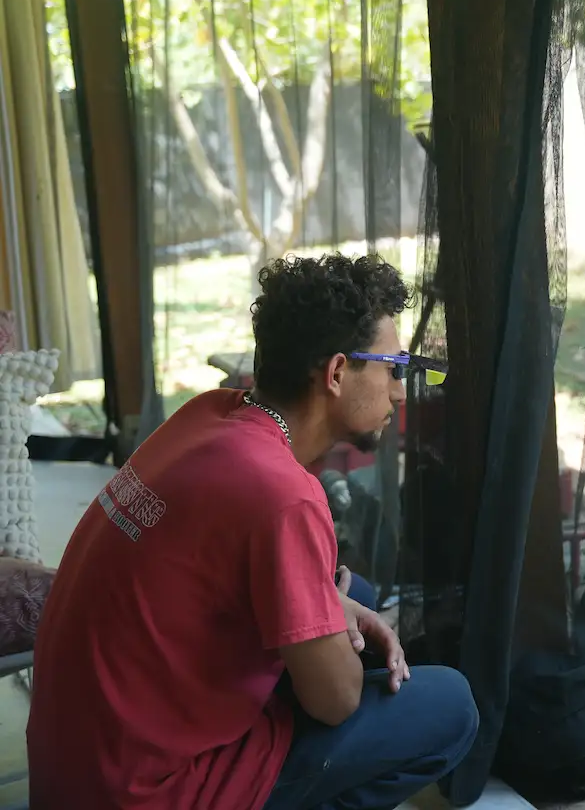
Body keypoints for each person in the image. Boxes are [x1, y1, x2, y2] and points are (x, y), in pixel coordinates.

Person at [28, 253, 478, 810]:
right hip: (147, 792)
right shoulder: (282, 495)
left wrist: (334, 605)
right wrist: (330, 617)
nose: (402, 392)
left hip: (72, 769)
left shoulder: (208, 414)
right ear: (337, 373)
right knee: (452, 707)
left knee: (353, 594)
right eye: (392, 369)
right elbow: (336, 702)